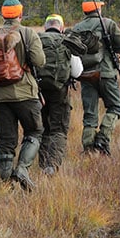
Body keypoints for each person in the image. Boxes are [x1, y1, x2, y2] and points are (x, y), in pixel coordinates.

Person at [0, 0, 45, 191]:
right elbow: (39, 61)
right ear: (20, 14)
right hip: (25, 93)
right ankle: (22, 169)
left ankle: (6, 184)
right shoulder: (28, 34)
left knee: (6, 140)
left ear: (3, 14)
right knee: (34, 131)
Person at [70, 0, 120, 155]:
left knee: (90, 113)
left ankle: (88, 147)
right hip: (106, 73)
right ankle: (102, 139)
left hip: (86, 75)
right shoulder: (107, 24)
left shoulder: (76, 28)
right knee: (115, 107)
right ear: (98, 8)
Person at [36, 14, 80, 175]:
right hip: (60, 91)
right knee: (58, 129)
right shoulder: (66, 42)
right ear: (61, 27)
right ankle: (52, 165)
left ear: (45, 27)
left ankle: (42, 163)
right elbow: (77, 71)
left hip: (38, 91)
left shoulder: (37, 40)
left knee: (42, 128)